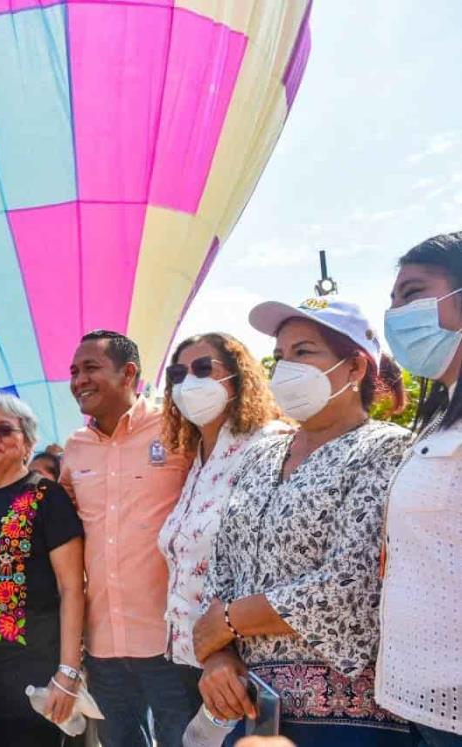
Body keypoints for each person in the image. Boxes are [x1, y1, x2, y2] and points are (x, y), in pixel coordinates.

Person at [195, 297, 410, 746]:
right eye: (280, 356)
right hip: (252, 711)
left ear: (354, 369)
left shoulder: (385, 450)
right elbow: (221, 569)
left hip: (348, 723)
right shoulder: (261, 456)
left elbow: (349, 586)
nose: (285, 368)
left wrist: (228, 621)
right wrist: (218, 657)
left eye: (304, 352)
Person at [59, 330, 195, 747]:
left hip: (171, 643)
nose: (79, 379)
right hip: (103, 647)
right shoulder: (75, 448)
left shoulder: (177, 430)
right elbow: (55, 519)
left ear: (129, 373)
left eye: (91, 368)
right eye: (74, 371)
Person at [0, 392, 85, 745]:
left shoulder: (47, 497)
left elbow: (72, 587)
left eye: (4, 430)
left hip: (33, 669)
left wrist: (68, 671)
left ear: (27, 441)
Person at [377, 232, 462, 746]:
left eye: (412, 293)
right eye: (392, 300)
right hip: (421, 696)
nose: (396, 314)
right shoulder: (437, 420)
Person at [157, 333, 286, 668]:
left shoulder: (269, 446)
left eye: (203, 369)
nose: (188, 382)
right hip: (188, 656)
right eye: (177, 374)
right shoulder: (195, 459)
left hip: (239, 663)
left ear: (237, 377)